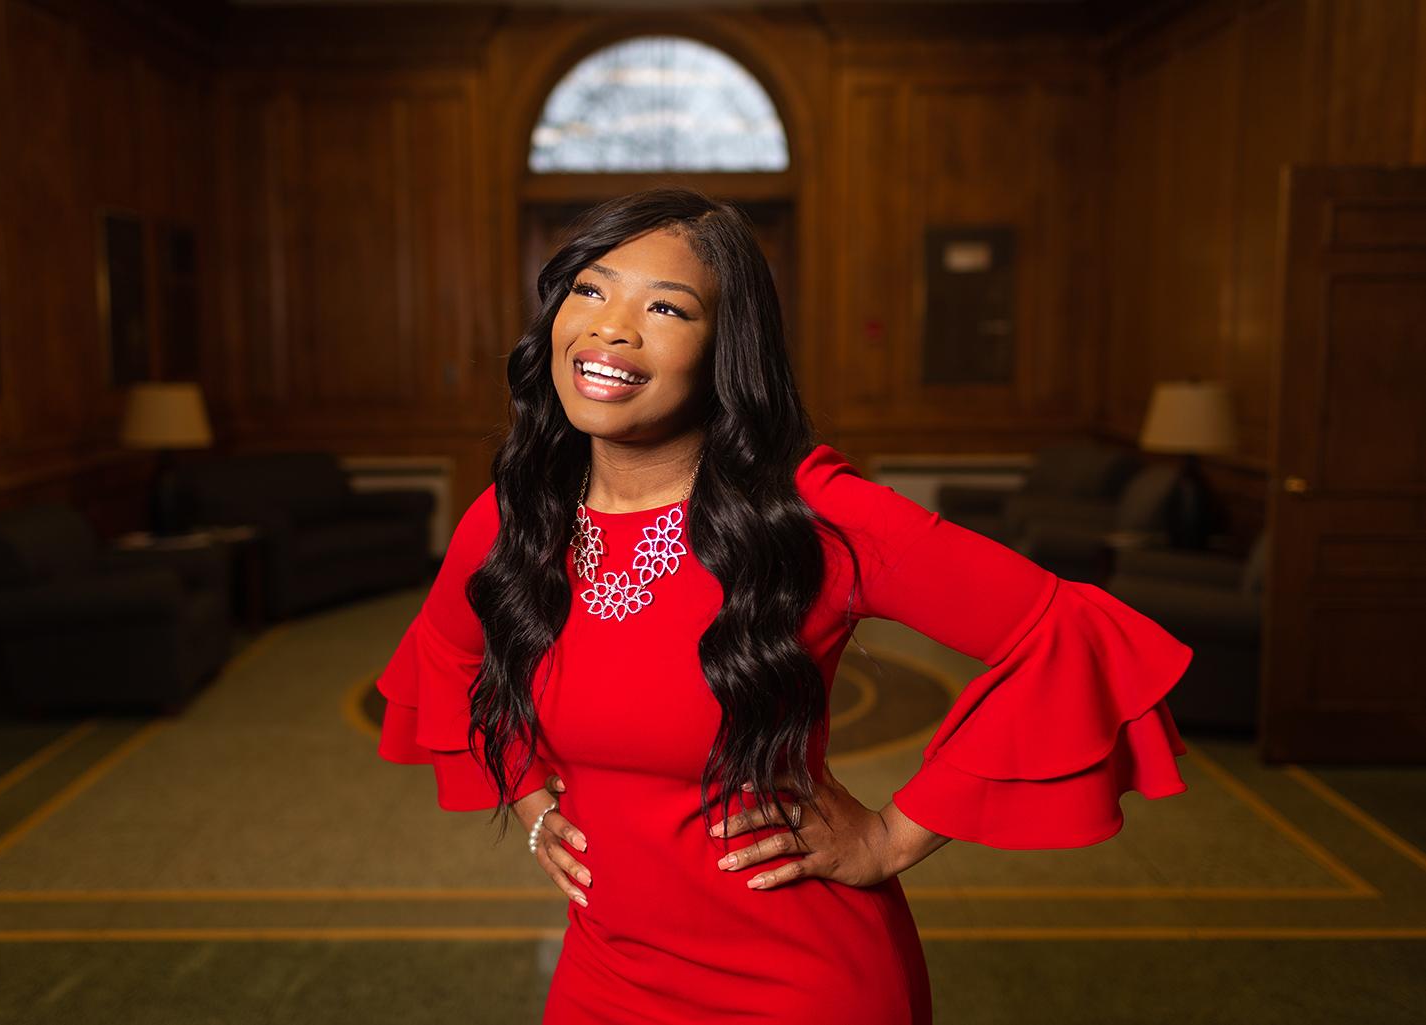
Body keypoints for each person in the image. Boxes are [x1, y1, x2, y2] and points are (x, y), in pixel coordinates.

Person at [376, 186, 1194, 1024]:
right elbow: (449, 655)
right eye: (590, 288)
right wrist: (533, 803)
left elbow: (1066, 629)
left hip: (797, 980)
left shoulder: (807, 514)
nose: (610, 327)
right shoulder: (519, 513)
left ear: (724, 348)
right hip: (607, 971)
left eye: (666, 306)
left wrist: (891, 836)